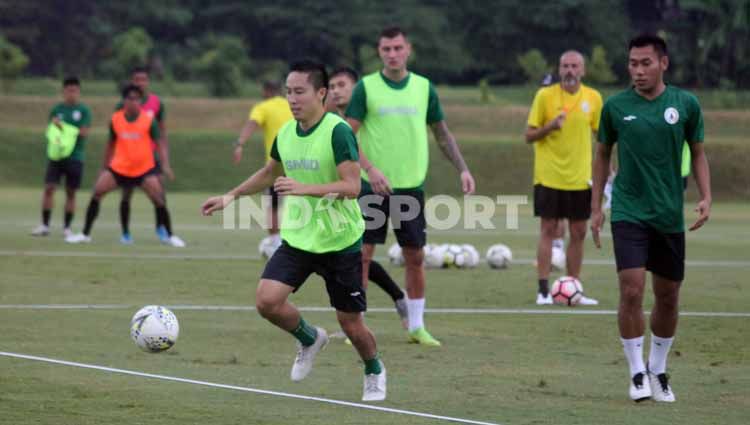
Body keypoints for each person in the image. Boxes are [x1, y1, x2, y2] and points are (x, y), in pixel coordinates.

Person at [201, 60, 386, 402]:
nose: (292, 98)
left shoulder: (338, 131)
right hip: (299, 238)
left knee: (351, 325)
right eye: (289, 91)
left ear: (321, 93)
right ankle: (309, 338)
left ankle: (374, 368)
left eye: (300, 91)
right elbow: (270, 171)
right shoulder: (286, 132)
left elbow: (352, 186)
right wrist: (231, 196)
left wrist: (304, 188)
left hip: (340, 241)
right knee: (267, 301)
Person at [591, 34, 711, 402]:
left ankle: (658, 368)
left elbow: (699, 152)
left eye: (645, 63)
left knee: (668, 296)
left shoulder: (686, 104)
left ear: (663, 63)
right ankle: (636, 372)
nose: (638, 71)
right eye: (632, 63)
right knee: (631, 289)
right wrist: (596, 206)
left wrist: (706, 195)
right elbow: (601, 155)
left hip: (668, 214)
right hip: (628, 211)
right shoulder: (615, 107)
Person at [346, 26, 476, 346]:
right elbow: (347, 135)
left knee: (415, 256)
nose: (392, 54)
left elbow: (442, 134)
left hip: (410, 188)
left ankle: (417, 327)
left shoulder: (423, 88)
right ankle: (356, 326)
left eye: (397, 48)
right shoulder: (365, 88)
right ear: (380, 52)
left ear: (408, 50)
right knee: (362, 255)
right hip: (371, 187)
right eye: (386, 49)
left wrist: (463, 168)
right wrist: (370, 170)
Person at [328, 66, 408, 328]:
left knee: (358, 254)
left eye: (342, 85)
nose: (336, 91)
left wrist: (370, 170)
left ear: (358, 88)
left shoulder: (365, 116)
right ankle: (397, 296)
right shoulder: (331, 119)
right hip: (344, 192)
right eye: (332, 86)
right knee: (351, 254)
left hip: (369, 189)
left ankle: (357, 319)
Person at [525, 50, 602, 305]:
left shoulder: (593, 98)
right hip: (549, 176)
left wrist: (608, 170)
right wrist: (550, 127)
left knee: (579, 232)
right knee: (548, 230)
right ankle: (543, 291)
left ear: (583, 70)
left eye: (574, 66)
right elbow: (529, 135)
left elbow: (602, 140)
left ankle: (573, 288)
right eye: (565, 66)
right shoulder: (545, 96)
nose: (570, 70)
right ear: (559, 70)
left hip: (580, 178)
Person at [65, 84, 183, 247]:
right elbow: (110, 144)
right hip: (119, 168)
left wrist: (164, 165)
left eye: (136, 99)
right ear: (124, 101)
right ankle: (85, 234)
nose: (133, 102)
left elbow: (159, 142)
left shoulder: (149, 120)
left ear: (140, 101)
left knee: (159, 200)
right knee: (97, 192)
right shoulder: (116, 119)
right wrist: (104, 167)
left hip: (143, 169)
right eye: (129, 98)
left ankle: (170, 236)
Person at [116, 67, 181, 246]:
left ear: (148, 81)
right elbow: (117, 131)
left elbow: (162, 134)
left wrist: (166, 162)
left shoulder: (156, 103)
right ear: (132, 81)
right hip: (129, 158)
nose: (140, 83)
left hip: (152, 158)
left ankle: (161, 228)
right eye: (137, 79)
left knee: (159, 194)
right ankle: (125, 233)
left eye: (143, 79)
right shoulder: (123, 104)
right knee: (126, 194)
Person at [233, 80, 293, 248]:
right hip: (299, 162)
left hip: (276, 166)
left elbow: (252, 123)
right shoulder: (292, 105)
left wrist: (240, 143)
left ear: (266, 91)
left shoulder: (263, 107)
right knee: (299, 202)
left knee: (272, 205)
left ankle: (275, 240)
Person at [31, 77, 91, 238]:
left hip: (75, 157)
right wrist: (61, 129)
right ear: (63, 92)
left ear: (79, 92)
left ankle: (67, 227)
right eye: (68, 90)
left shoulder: (84, 111)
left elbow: (83, 132)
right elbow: (52, 131)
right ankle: (45, 225)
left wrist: (63, 127)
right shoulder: (57, 110)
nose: (72, 94)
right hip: (56, 157)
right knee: (49, 188)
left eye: (75, 90)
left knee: (71, 193)